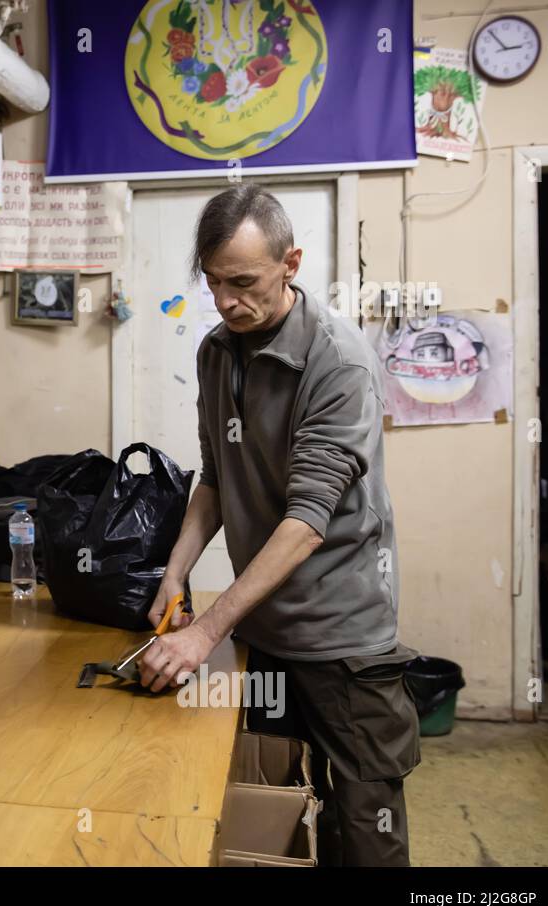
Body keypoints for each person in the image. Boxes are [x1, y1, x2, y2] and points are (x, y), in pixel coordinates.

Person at [139, 183, 421, 867]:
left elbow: (306, 523)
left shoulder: (339, 363)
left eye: (243, 282)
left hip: (343, 639)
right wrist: (175, 573)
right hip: (267, 630)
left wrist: (210, 627)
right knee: (272, 808)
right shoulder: (216, 352)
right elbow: (215, 476)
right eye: (213, 284)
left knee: (364, 827)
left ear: (290, 263)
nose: (228, 301)